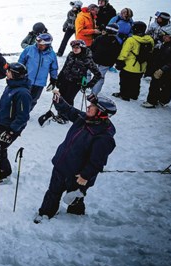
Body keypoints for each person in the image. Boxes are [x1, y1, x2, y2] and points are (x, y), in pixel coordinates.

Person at [34, 92, 116, 222]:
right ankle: (45, 213)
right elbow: (69, 111)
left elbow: (97, 161)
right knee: (53, 192)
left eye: (92, 106)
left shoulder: (103, 137)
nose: (88, 107)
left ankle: (75, 218)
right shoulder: (84, 118)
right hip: (61, 164)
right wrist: (59, 101)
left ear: (101, 113)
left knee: (74, 198)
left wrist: (86, 175)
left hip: (77, 175)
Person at [0, 62, 32, 184]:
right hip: (1, 123)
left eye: (9, 71)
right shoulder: (10, 86)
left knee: (0, 149)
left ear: (16, 75)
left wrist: (12, 131)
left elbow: (23, 116)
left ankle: (4, 173)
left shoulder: (22, 93)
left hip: (9, 127)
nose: (6, 73)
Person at [112, 22, 155, 102]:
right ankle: (134, 95)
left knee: (125, 81)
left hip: (129, 65)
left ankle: (124, 94)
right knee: (136, 81)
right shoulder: (150, 39)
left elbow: (124, 52)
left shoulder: (131, 40)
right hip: (141, 66)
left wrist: (119, 61)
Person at [17, 32, 58, 108]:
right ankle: (17, 114)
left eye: (42, 45)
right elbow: (21, 61)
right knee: (21, 98)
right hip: (27, 80)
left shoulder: (52, 54)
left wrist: (53, 79)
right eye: (38, 44)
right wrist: (19, 73)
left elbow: (54, 68)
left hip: (40, 83)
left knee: (33, 100)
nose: (39, 46)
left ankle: (25, 114)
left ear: (47, 44)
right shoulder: (29, 49)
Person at [89, 24, 121, 97]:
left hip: (95, 59)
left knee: (88, 72)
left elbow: (92, 48)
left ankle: (85, 85)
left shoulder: (99, 38)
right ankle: (94, 93)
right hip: (106, 63)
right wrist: (112, 63)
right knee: (100, 77)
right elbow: (116, 54)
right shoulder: (116, 42)